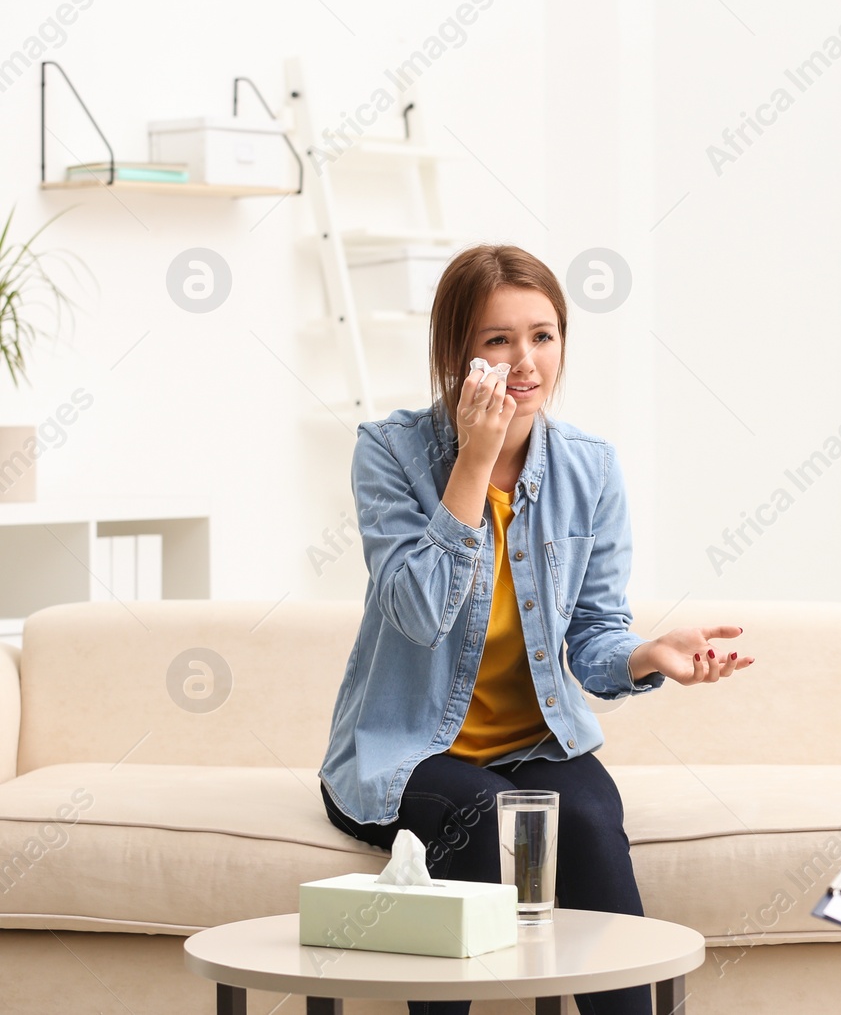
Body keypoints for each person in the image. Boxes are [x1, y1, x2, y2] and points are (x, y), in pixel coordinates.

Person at [317, 244, 754, 1015]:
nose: (526, 361)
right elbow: (418, 613)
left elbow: (593, 636)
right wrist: (475, 460)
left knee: (584, 816)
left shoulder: (590, 467)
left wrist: (646, 653)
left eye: (543, 335)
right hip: (409, 750)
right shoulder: (387, 452)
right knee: (482, 817)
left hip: (534, 744)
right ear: (456, 351)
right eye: (498, 339)